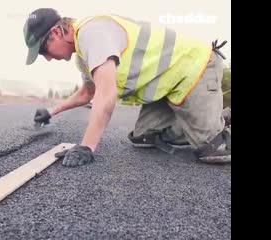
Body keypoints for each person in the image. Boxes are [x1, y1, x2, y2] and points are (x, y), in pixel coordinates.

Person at [23, 8, 231, 167]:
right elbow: (88, 92)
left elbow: (106, 94)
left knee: (211, 150)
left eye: (43, 50)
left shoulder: (92, 33)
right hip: (167, 87)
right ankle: (210, 116)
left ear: (57, 32)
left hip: (196, 67)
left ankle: (216, 124)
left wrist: (87, 146)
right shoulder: (83, 57)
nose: (48, 59)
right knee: (144, 137)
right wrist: (51, 112)